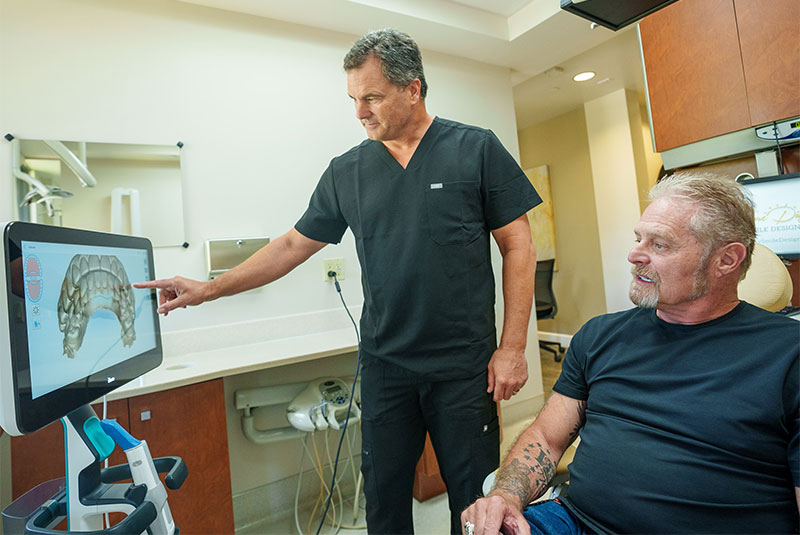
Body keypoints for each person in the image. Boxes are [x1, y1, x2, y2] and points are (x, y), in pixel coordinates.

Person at [135, 29, 542, 534]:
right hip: (386, 366)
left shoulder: (475, 149)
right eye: (353, 99)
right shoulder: (347, 171)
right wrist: (208, 289)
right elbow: (290, 247)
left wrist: (513, 346)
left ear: (413, 89)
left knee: (475, 501)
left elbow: (518, 244)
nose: (359, 112)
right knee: (384, 502)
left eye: (371, 97)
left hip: (463, 367)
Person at [461, 173, 800, 534]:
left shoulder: (787, 355)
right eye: (639, 238)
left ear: (726, 260)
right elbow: (546, 437)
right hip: (576, 522)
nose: (634, 254)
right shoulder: (600, 336)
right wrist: (506, 496)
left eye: (660, 245)